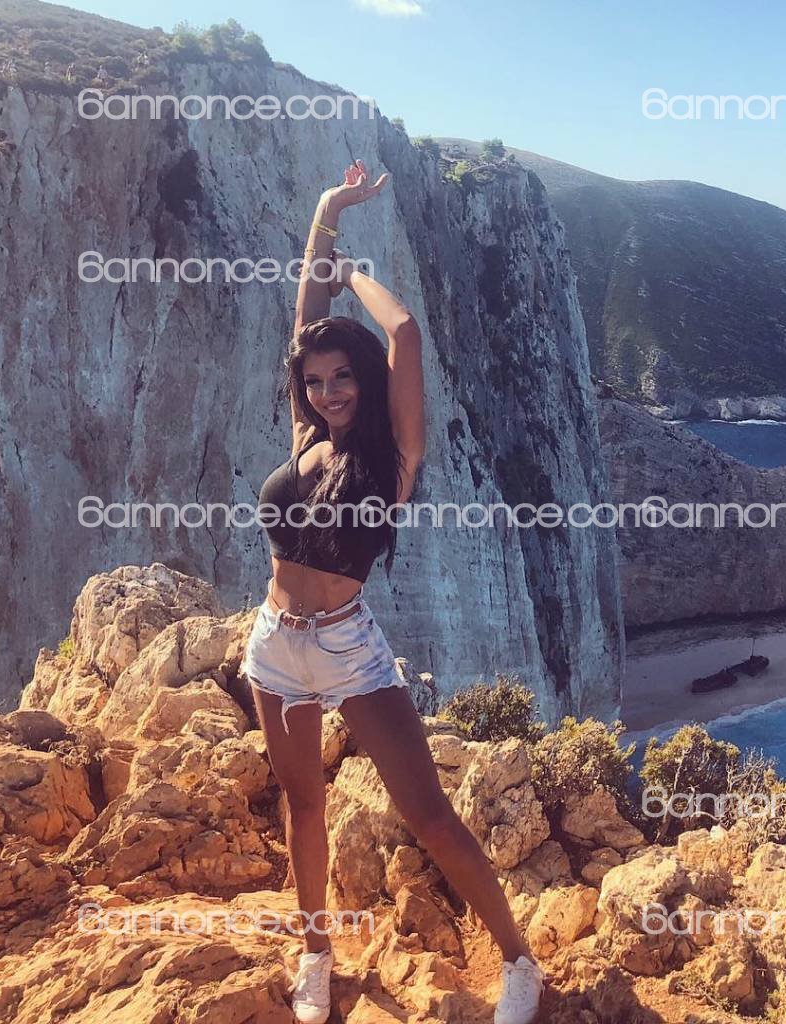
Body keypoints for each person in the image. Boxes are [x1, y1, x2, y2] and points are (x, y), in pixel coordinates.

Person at [240, 159, 544, 1024]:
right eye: (315, 380)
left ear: (365, 379)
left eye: (342, 377)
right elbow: (305, 314)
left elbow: (405, 333)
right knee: (304, 807)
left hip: (348, 646)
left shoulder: (395, 457)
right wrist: (327, 211)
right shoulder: (305, 436)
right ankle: (316, 956)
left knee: (430, 816)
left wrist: (356, 275)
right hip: (275, 644)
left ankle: (518, 962)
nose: (327, 392)